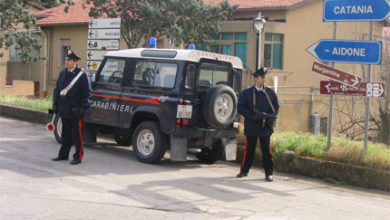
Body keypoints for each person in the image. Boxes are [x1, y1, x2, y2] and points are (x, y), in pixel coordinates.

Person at [236, 67, 279, 181]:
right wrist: (251, 115)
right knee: (249, 150)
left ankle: (269, 173)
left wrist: (270, 116)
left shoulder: (269, 93)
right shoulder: (247, 92)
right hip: (252, 125)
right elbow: (240, 107)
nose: (264, 79)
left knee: (266, 151)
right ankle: (244, 171)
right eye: (261, 77)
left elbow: (275, 107)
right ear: (255, 79)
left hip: (265, 126)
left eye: (264, 77)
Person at [52, 50, 91, 165]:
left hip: (75, 110)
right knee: (65, 134)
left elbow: (87, 93)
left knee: (77, 135)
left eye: (69, 60)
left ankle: (78, 156)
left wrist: (82, 107)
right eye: (66, 60)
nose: (66, 62)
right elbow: (58, 90)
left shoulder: (81, 75)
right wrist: (55, 104)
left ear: (75, 62)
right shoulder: (63, 73)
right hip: (64, 109)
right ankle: (63, 155)